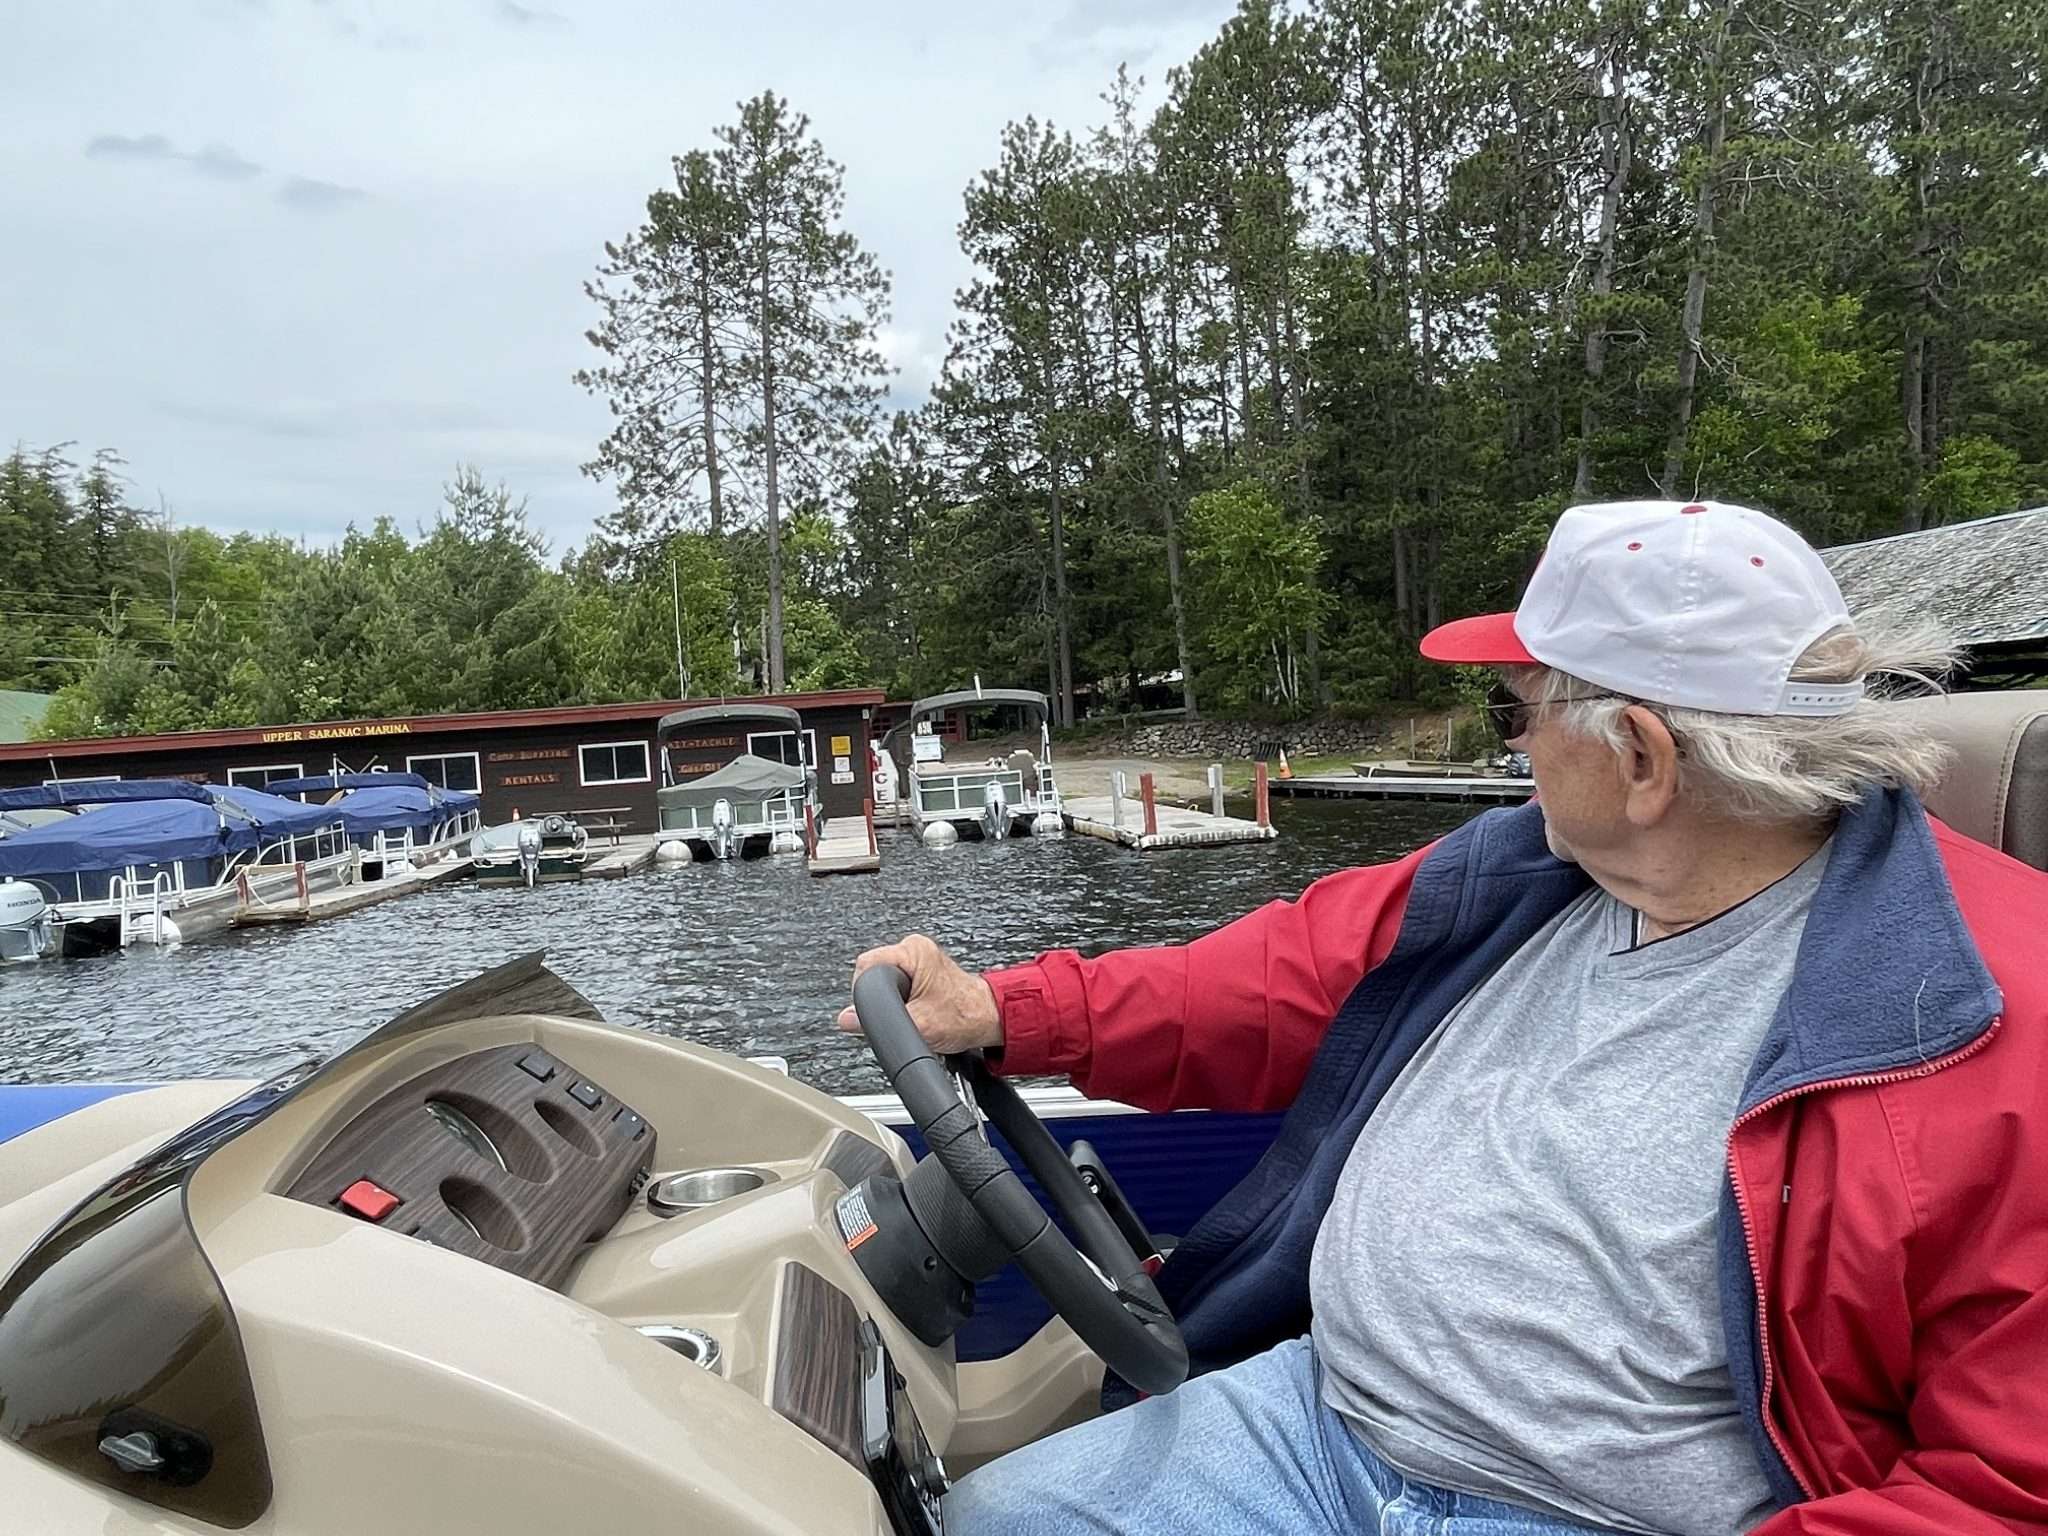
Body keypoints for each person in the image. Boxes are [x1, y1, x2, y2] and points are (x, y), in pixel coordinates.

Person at [838, 500, 2048, 1536]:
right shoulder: (1530, 871)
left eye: (1512, 716)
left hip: (1595, 1514)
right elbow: (1277, 982)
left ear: (1638, 758)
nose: (1510, 748)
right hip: (1322, 1420)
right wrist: (1003, 1008)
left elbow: (2003, 1490)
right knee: (983, 1522)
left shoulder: (1991, 1019)